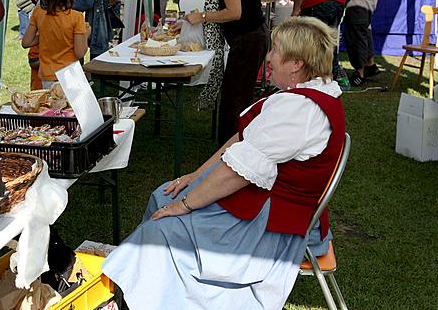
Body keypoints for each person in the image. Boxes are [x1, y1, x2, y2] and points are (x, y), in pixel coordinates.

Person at [103, 17, 345, 309]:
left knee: (162, 232)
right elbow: (241, 140)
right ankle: (146, 292)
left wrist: (186, 205)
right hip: (266, 203)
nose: (268, 57)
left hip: (272, 225)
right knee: (163, 194)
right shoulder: (303, 95)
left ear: (296, 64)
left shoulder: (301, 111)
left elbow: (236, 174)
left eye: (276, 50)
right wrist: (196, 175)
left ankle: (150, 293)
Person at [175, 0, 267, 144]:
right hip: (249, 37)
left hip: (248, 38)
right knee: (238, 96)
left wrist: (203, 17)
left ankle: (229, 148)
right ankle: (235, 144)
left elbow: (234, 12)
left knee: (234, 100)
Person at [21, 0, 88, 87]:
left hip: (47, 75)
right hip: (71, 74)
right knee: (71, 105)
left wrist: (45, 34)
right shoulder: (76, 17)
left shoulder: (38, 12)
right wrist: (86, 35)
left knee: (51, 105)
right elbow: (80, 52)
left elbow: (26, 42)